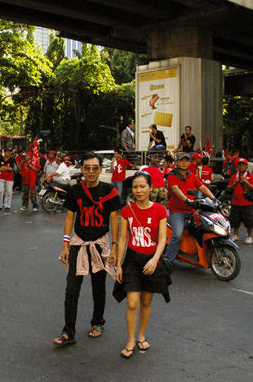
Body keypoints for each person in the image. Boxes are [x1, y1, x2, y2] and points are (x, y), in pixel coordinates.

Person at [53, 152, 120, 346]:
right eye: (87, 168)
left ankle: (98, 322)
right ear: (82, 169)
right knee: (72, 288)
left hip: (100, 243)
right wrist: (65, 244)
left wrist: (114, 247)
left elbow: (114, 220)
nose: (91, 172)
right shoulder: (75, 191)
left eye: (95, 168)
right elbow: (69, 218)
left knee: (98, 288)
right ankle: (68, 332)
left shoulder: (109, 190)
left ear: (100, 169)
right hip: (78, 243)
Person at [109, 171, 170, 359]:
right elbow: (123, 238)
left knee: (146, 300)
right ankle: (130, 339)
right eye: (135, 187)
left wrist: (154, 259)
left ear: (151, 188)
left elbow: (162, 238)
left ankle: (142, 335)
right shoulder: (127, 211)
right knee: (132, 302)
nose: (139, 190)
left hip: (152, 260)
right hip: (132, 261)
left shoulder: (160, 210)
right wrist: (118, 265)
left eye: (143, 186)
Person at [163, 152, 217, 264]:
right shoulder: (172, 175)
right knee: (177, 235)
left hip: (191, 210)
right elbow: (175, 189)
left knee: (205, 228)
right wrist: (186, 200)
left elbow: (202, 187)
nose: (184, 163)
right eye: (181, 161)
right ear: (176, 162)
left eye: (186, 161)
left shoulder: (191, 175)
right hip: (177, 211)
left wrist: (214, 199)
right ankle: (167, 260)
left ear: (189, 162)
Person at [227, 158, 253, 244]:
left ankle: (249, 236)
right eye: (240, 165)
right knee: (235, 220)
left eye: (243, 165)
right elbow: (229, 188)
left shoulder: (250, 177)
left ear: (247, 166)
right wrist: (234, 182)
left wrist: (246, 182)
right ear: (237, 167)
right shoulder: (234, 177)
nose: (242, 167)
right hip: (235, 202)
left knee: (249, 220)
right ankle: (236, 235)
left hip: (246, 202)